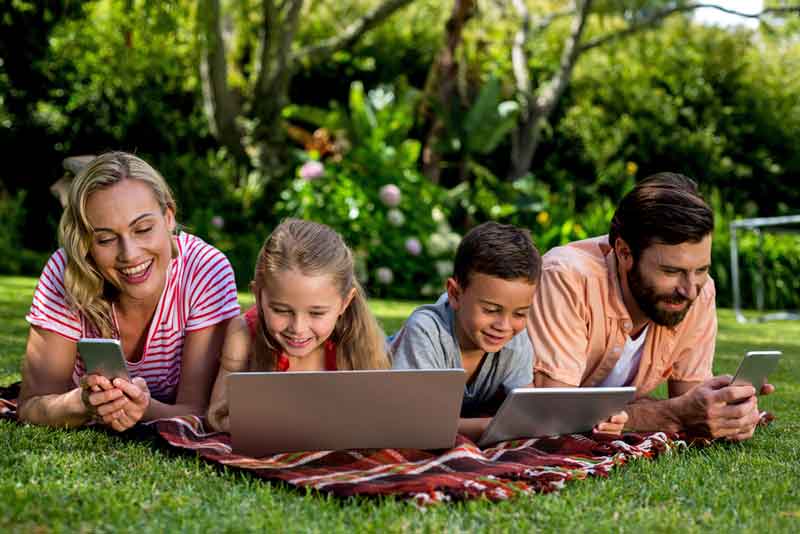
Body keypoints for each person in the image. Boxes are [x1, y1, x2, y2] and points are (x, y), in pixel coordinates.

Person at [528, 172, 773, 441]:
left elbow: (690, 404)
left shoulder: (700, 291)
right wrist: (669, 414)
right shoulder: (568, 277)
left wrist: (723, 410)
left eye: (701, 270)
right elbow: (550, 413)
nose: (689, 290)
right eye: (671, 271)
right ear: (624, 253)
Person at [19, 152, 240, 431]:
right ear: (86, 243)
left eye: (144, 229)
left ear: (168, 217)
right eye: (106, 239)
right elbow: (31, 406)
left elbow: (199, 412)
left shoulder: (205, 270)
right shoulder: (65, 271)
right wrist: (83, 403)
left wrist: (141, 408)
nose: (130, 254)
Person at [391, 222, 628, 441]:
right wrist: (493, 426)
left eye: (520, 314)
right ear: (455, 294)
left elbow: (531, 412)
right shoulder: (427, 331)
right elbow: (418, 424)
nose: (504, 326)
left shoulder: (515, 341)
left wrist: (596, 422)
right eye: (491, 310)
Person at [206, 218, 391, 432]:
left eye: (317, 313)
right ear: (258, 296)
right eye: (281, 310)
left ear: (345, 303)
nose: (298, 328)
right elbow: (215, 417)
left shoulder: (356, 341)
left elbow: (379, 417)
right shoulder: (243, 333)